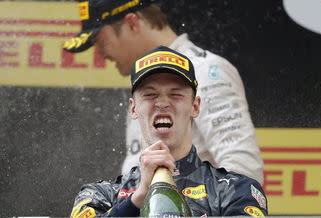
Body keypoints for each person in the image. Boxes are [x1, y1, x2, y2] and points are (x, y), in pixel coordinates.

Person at [61, 46, 269, 218]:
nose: (162, 103)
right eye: (149, 95)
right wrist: (136, 199)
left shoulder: (234, 189)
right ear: (133, 108)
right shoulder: (100, 195)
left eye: (175, 94)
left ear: (195, 106)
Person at [63, 0, 264, 184]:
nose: (100, 54)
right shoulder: (141, 85)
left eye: (100, 40)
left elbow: (244, 171)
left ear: (132, 23)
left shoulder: (206, 71)